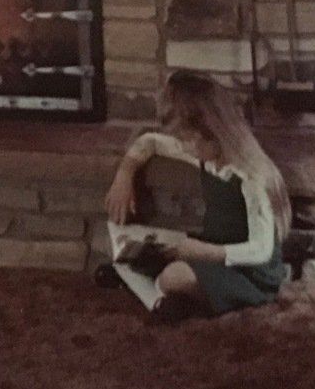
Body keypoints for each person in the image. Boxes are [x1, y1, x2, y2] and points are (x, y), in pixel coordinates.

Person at [98, 71, 291, 319]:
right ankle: (142, 278)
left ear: (214, 133)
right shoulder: (205, 153)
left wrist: (205, 252)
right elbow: (150, 141)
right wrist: (125, 174)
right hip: (213, 249)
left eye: (190, 141)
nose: (186, 148)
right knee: (142, 247)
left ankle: (168, 297)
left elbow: (261, 251)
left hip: (250, 274)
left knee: (175, 276)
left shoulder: (251, 176)